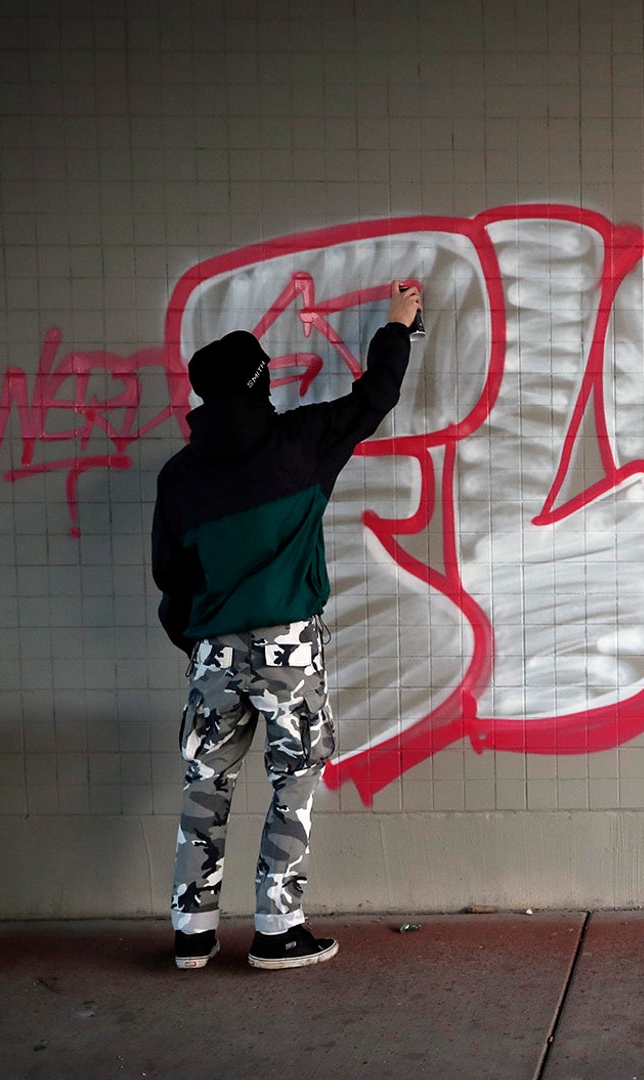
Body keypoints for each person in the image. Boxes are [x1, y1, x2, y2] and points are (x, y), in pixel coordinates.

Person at [151, 281, 421, 970]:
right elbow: (375, 398)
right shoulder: (297, 444)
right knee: (293, 779)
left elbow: (170, 581)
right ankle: (277, 928)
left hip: (212, 651)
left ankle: (192, 932)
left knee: (205, 788)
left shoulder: (179, 477)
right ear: (261, 381)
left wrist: (203, 641)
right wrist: (397, 324)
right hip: (288, 649)